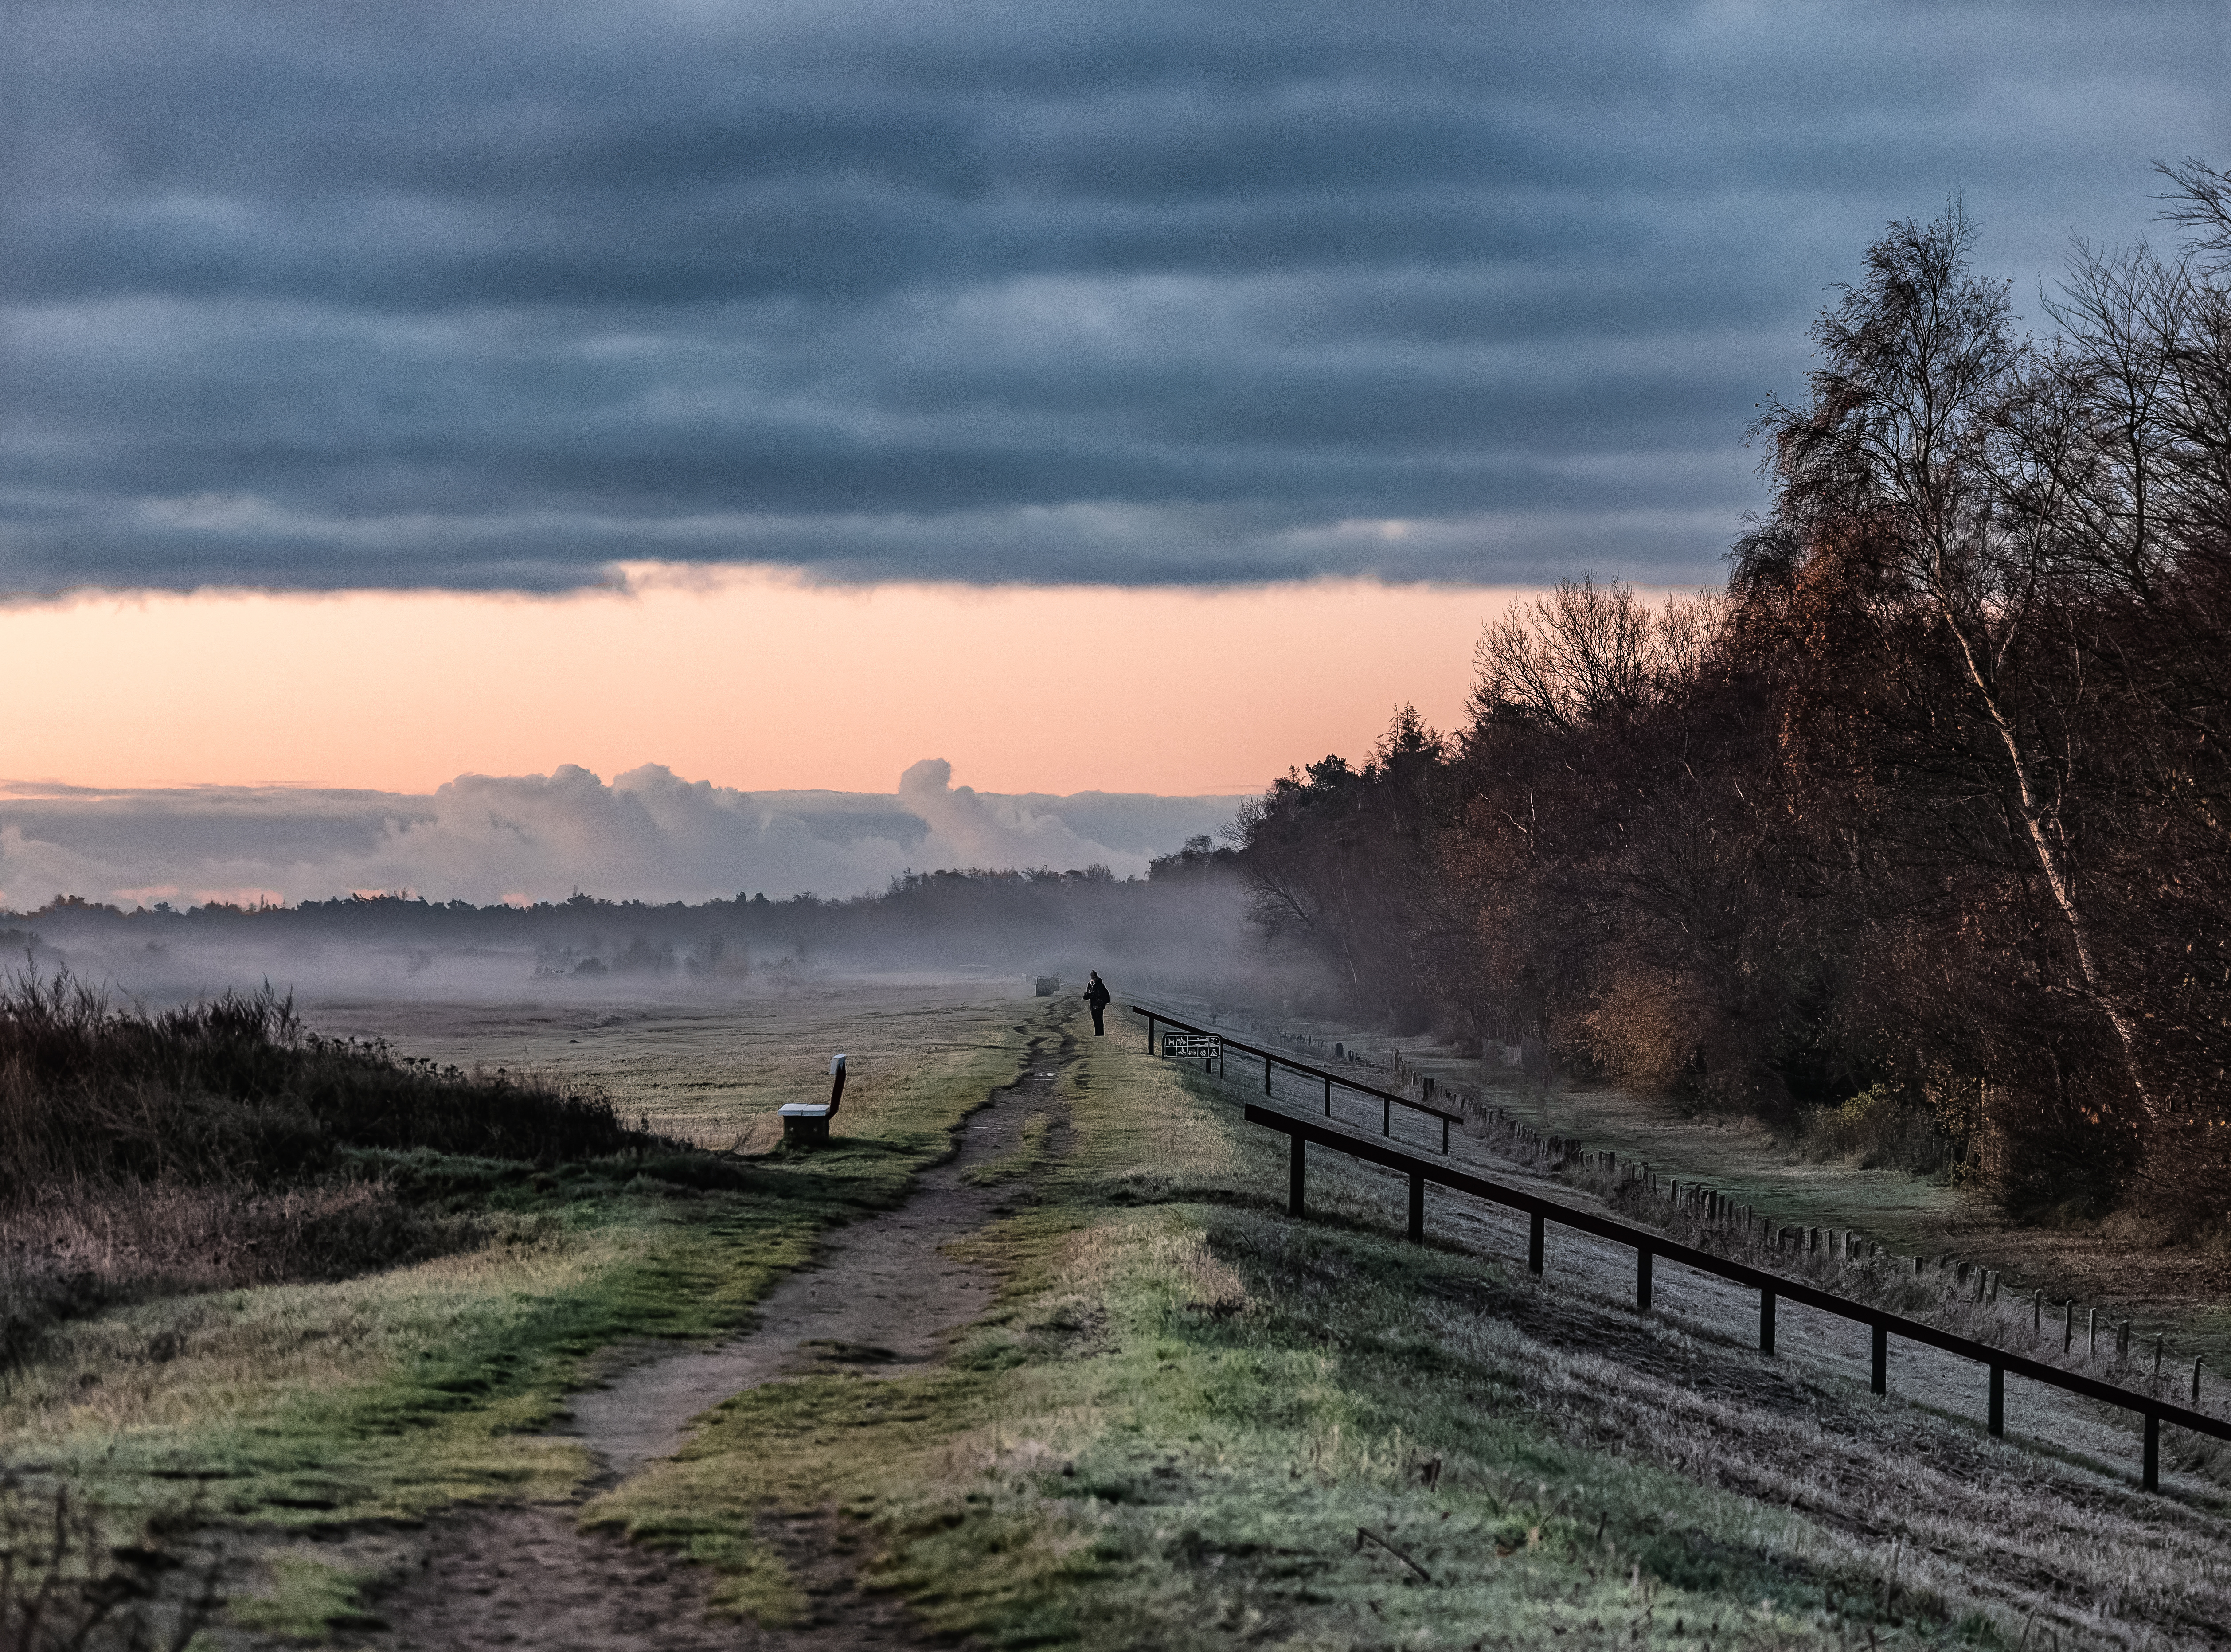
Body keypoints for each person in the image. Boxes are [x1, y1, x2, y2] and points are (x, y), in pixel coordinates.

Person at [1084, 970, 1110, 1036]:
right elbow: (1089, 994)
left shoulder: (1099, 985)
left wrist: (1089, 995)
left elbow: (1098, 994)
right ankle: (1098, 1034)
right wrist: (1086, 996)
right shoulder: (1091, 984)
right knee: (1096, 1019)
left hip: (1099, 1005)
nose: (1093, 978)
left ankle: (1100, 1034)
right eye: (1092, 976)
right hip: (1095, 1005)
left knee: (1098, 1019)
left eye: (1093, 976)